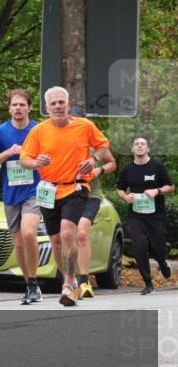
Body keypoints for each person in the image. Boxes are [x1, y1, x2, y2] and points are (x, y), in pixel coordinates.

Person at [19, 87, 115, 307]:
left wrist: (94, 161)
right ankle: (68, 280)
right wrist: (36, 163)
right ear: (46, 108)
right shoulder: (39, 131)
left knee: (68, 232)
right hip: (48, 191)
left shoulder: (85, 126)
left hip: (75, 187)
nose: (58, 106)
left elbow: (103, 146)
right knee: (56, 241)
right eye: (53, 104)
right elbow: (25, 159)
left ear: (68, 105)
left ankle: (70, 285)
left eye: (61, 102)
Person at [0, 89, 43, 305]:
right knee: (18, 243)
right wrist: (9, 152)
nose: (18, 108)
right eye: (14, 105)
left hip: (34, 190)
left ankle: (35, 281)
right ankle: (29, 284)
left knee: (29, 233)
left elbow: (50, 155)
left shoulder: (37, 129)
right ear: (9, 108)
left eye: (22, 105)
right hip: (11, 194)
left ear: (29, 107)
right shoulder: (2, 131)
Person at [66, 105, 115, 299]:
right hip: (68, 193)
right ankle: (72, 279)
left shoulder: (95, 145)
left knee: (82, 233)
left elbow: (112, 163)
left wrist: (98, 170)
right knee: (67, 236)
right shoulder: (61, 141)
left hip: (91, 194)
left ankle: (85, 282)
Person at [116, 136, 174, 295]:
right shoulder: (128, 168)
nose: (140, 146)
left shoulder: (157, 166)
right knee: (139, 247)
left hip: (156, 215)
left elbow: (171, 186)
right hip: (136, 216)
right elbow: (120, 188)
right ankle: (148, 283)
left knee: (158, 247)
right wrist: (125, 197)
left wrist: (157, 191)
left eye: (143, 144)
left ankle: (162, 262)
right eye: (137, 144)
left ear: (148, 149)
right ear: (132, 149)